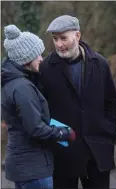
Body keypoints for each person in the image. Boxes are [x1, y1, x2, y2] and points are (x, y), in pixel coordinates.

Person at [38, 15, 116, 189]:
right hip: (63, 153)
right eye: (55, 39)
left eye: (63, 38)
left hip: (97, 151)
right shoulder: (46, 67)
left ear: (77, 35)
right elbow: (42, 109)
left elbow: (111, 101)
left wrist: (108, 131)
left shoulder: (101, 64)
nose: (59, 44)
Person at [1, 25, 76, 189]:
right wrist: (64, 133)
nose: (41, 58)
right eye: (37, 55)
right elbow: (35, 128)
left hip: (24, 166)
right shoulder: (23, 88)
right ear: (26, 59)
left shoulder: (13, 83)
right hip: (33, 169)